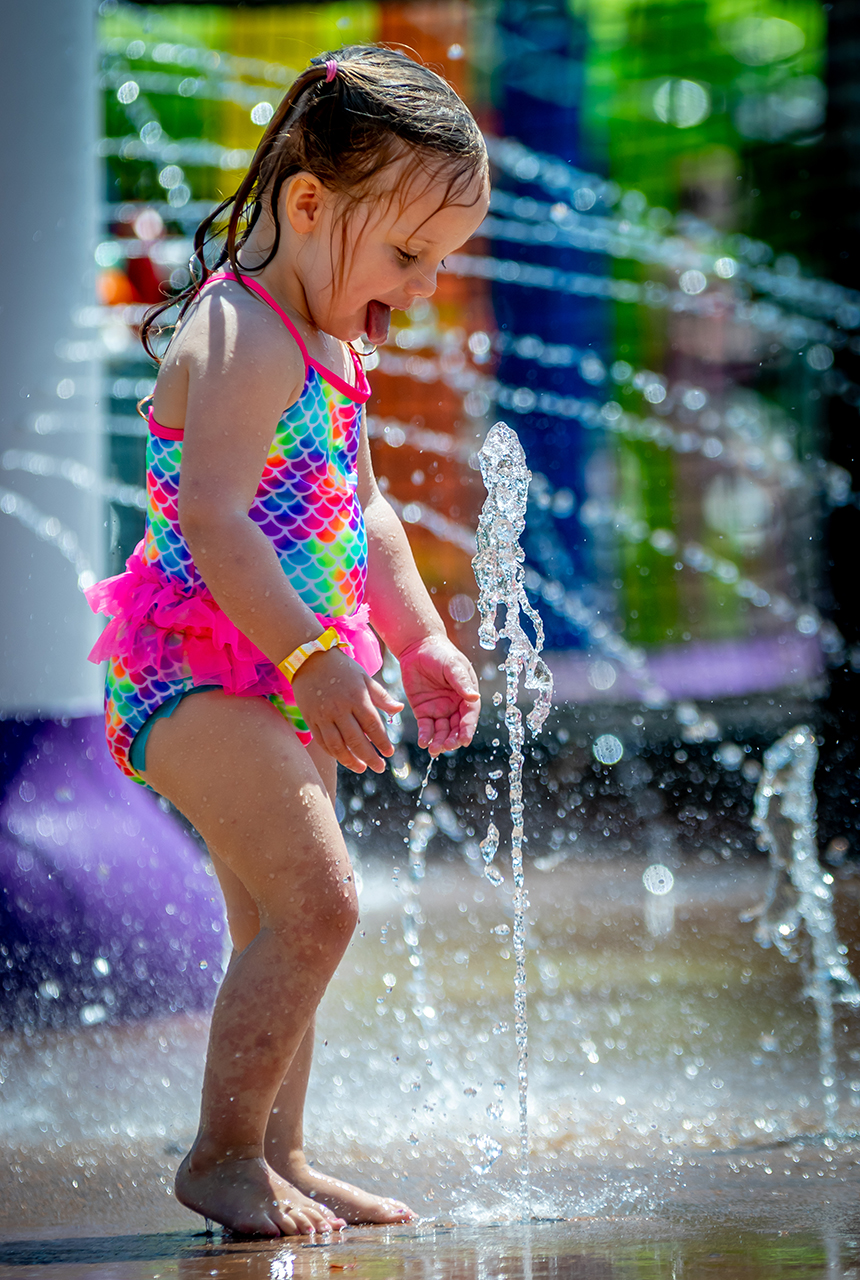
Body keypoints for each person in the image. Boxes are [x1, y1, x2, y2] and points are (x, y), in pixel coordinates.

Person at [86, 46, 488, 1237]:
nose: (418, 289)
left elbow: (360, 511)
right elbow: (211, 514)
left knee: (278, 921)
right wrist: (315, 659)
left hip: (279, 669)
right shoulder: (242, 329)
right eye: (406, 254)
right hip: (196, 670)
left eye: (439, 263)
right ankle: (220, 1152)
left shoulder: (335, 346)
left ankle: (280, 1152)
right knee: (321, 905)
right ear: (308, 203)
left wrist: (416, 640)